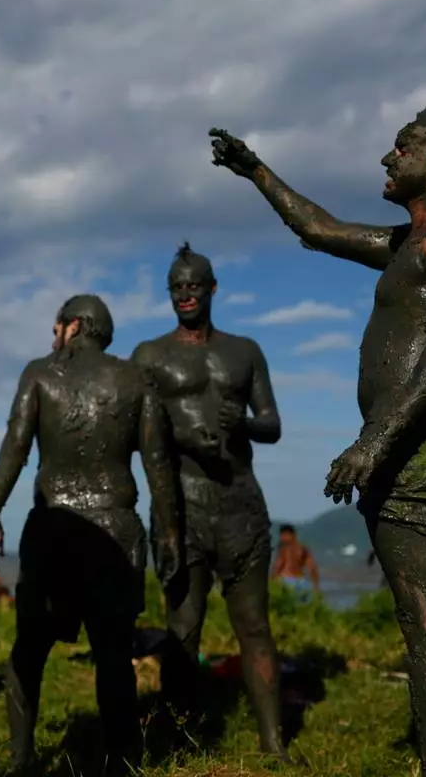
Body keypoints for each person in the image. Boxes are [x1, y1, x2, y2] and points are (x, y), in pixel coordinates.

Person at [210, 93, 426, 776]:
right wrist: (256, 171)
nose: (387, 159)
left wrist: (375, 441)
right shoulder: (409, 242)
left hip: (423, 452)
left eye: (402, 147)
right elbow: (320, 228)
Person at [0, 295, 181, 774]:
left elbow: (15, 445)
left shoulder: (39, 373)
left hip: (55, 528)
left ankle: (21, 762)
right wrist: (170, 533)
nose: (54, 337)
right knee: (114, 654)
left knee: (29, 650)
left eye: (56, 327)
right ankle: (123, 763)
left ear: (73, 326)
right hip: (116, 527)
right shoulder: (135, 378)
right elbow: (158, 464)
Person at [131, 244, 287, 761]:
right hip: (182, 505)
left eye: (194, 285)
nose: (186, 294)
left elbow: (272, 423)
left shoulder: (244, 351)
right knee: (183, 629)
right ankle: (180, 744)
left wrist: (242, 424)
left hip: (241, 502)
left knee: (255, 627)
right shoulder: (150, 356)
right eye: (177, 287)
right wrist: (179, 437)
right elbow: (133, 431)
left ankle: (274, 745)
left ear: (213, 288)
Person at [270, 524, 320, 597]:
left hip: (284, 581)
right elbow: (312, 567)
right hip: (300, 582)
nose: (282, 538)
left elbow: (277, 566)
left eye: (282, 535)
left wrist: (271, 581)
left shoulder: (283, 548)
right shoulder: (302, 548)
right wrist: (316, 586)